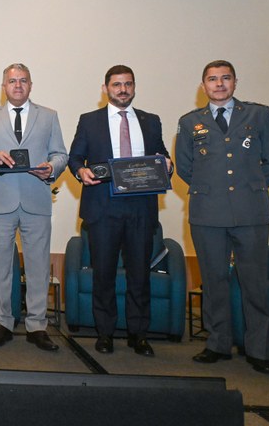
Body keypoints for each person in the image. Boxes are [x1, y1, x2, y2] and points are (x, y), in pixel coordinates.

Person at [176, 60, 269, 374]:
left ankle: (258, 349)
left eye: (225, 78)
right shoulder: (190, 122)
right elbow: (185, 167)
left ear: (235, 82)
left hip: (250, 212)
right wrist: (214, 189)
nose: (219, 84)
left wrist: (251, 187)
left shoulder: (259, 115)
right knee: (214, 281)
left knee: (254, 284)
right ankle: (217, 344)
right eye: (212, 79)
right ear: (203, 85)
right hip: (207, 213)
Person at [68, 65, 171, 357]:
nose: (123, 89)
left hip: (141, 209)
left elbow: (162, 155)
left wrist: (168, 165)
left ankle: (139, 335)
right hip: (103, 209)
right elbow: (75, 157)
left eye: (128, 84)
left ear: (134, 87)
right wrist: (81, 172)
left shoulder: (151, 121)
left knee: (140, 276)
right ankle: (105, 333)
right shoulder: (89, 121)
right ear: (105, 88)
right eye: (116, 84)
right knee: (103, 275)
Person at [0, 63, 67, 350]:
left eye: (23, 80)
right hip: (0, 202)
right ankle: (2, 322)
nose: (18, 85)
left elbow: (61, 154)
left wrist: (52, 167)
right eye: (12, 81)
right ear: (4, 86)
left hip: (36, 200)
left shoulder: (49, 116)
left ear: (30, 85)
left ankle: (37, 325)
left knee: (38, 267)